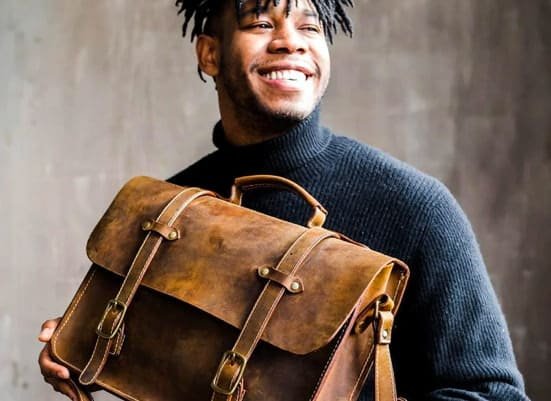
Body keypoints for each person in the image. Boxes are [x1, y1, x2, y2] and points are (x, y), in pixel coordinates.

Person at [38, 0, 530, 400]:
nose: (290, 41)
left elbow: (492, 394)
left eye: (309, 26)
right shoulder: (168, 213)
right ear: (209, 54)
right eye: (260, 22)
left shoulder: (416, 207)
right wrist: (80, 355)